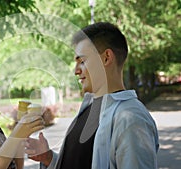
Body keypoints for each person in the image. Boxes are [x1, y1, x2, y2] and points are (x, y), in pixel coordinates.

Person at [25, 22, 159, 169]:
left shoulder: (130, 118)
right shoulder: (91, 107)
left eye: (82, 61)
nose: (76, 71)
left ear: (106, 58)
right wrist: (48, 158)